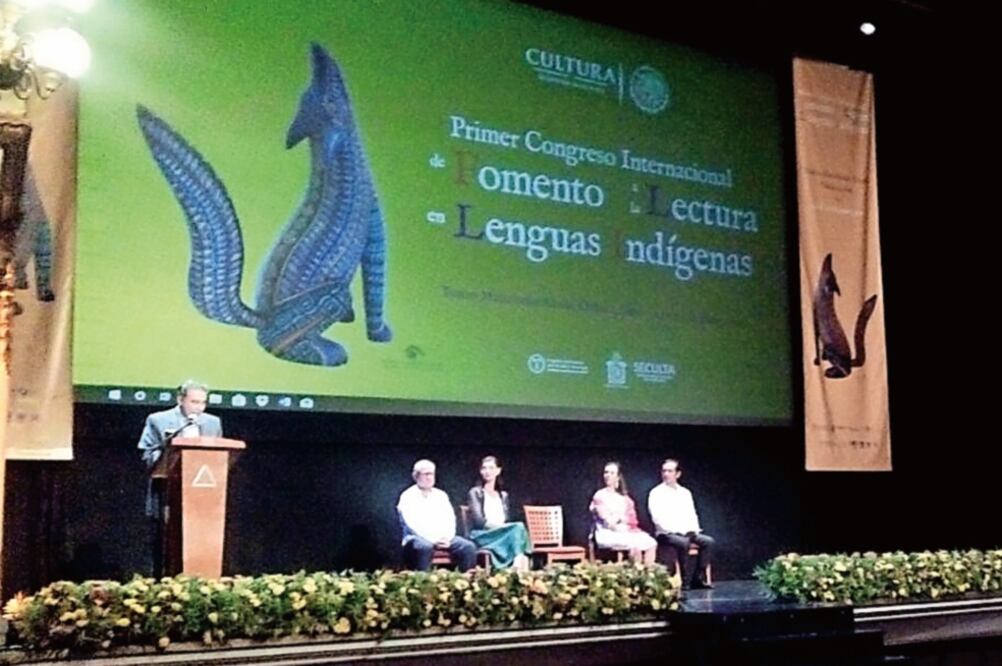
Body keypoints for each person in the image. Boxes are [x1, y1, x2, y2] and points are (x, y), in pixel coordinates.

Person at [137, 380, 223, 576]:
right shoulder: (158, 420)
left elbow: (216, 459)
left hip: (202, 497)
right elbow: (147, 455)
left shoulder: (212, 423)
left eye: (203, 403)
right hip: (167, 493)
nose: (199, 408)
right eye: (194, 402)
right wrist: (170, 455)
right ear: (180, 400)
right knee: (166, 544)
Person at [397, 459, 476, 571]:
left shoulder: (441, 495)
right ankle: (423, 583)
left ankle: (467, 584)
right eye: (426, 474)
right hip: (417, 538)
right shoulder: (407, 496)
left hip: (444, 538)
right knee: (424, 547)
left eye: (432, 474)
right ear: (416, 476)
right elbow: (412, 524)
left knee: (468, 547)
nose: (429, 477)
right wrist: (433, 540)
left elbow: (450, 519)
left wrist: (447, 538)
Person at [647, 458, 714, 589]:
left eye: (670, 471)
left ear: (677, 474)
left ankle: (697, 577)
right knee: (683, 543)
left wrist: (693, 530)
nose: (666, 474)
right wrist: (676, 531)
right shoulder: (656, 493)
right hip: (667, 533)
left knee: (708, 542)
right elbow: (657, 518)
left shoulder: (685, 493)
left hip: (686, 532)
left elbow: (692, 514)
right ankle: (685, 580)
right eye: (664, 471)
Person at [466, 456, 531, 570]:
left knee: (517, 530)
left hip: (502, 533)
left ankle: (518, 561)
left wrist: (504, 528)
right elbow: (478, 521)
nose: (487, 471)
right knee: (518, 527)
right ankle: (519, 561)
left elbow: (506, 518)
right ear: (480, 471)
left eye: (491, 468)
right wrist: (500, 528)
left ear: (498, 471)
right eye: (484, 468)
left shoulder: (503, 495)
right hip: (483, 534)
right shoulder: (475, 492)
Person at [590, 461, 657, 565]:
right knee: (635, 545)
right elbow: (609, 522)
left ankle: (647, 574)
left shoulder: (623, 498)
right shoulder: (599, 495)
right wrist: (620, 519)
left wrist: (621, 520)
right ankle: (635, 574)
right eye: (606, 472)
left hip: (625, 531)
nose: (608, 475)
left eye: (612, 473)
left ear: (618, 477)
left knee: (651, 543)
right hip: (607, 533)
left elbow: (631, 520)